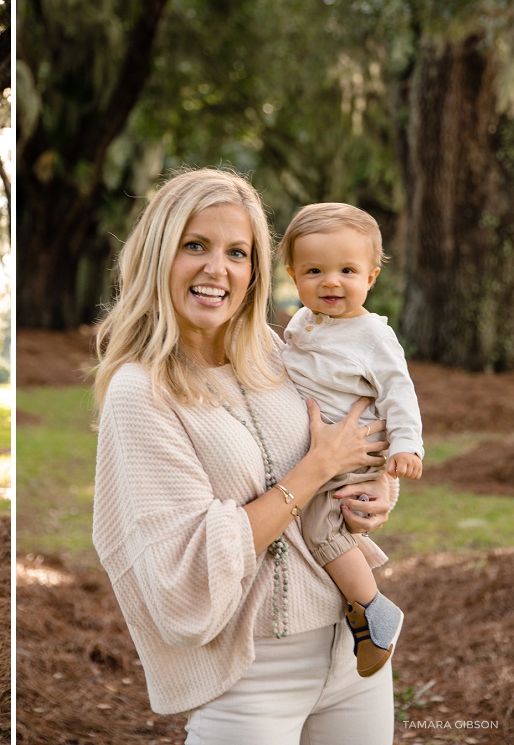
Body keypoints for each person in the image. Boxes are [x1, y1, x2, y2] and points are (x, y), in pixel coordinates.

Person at [92, 168, 399, 744]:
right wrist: (313, 474)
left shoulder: (284, 355)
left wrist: (379, 489)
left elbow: (352, 436)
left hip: (353, 648)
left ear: (255, 271)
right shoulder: (141, 393)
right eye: (195, 246)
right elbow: (187, 565)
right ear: (160, 254)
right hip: (252, 671)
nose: (217, 269)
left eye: (238, 252)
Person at [280, 202, 423, 677]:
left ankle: (374, 611)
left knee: (319, 525)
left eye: (347, 270)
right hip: (328, 452)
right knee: (333, 522)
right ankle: (357, 582)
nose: (330, 282)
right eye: (314, 270)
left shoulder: (373, 336)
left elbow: (398, 392)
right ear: (293, 274)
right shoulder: (300, 323)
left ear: (372, 277)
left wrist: (406, 446)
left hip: (355, 451)